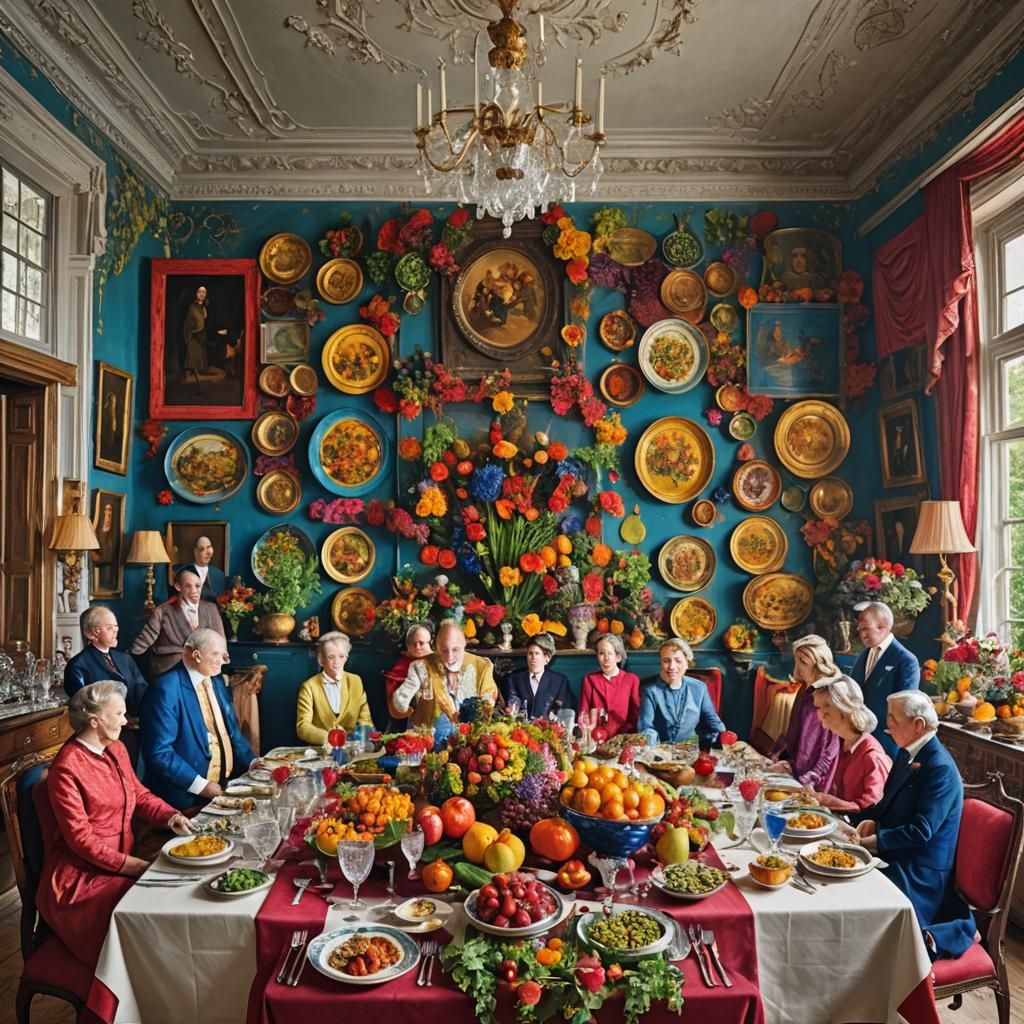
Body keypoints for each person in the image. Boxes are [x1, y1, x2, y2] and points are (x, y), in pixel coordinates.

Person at [36, 681, 193, 968]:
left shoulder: (117, 748)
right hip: (79, 880)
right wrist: (138, 867)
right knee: (150, 914)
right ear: (94, 721)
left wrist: (172, 817)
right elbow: (81, 840)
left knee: (174, 897)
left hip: (120, 863)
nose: (126, 720)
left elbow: (139, 794)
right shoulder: (66, 768)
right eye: (119, 714)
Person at [851, 691, 975, 960]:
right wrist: (868, 822)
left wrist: (873, 842)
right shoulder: (906, 752)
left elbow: (921, 832)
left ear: (918, 725)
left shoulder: (939, 767)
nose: (887, 726)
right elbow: (886, 805)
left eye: (893, 719)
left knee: (856, 899)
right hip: (895, 854)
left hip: (919, 871)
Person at [140, 629, 258, 810]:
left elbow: (232, 733)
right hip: (182, 801)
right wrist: (201, 786)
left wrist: (253, 762)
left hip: (223, 790)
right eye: (216, 655)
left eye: (224, 656)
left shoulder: (216, 681)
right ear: (196, 655)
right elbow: (159, 753)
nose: (221, 661)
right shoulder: (165, 688)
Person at [801, 675, 892, 813]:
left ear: (844, 709)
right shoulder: (840, 740)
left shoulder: (872, 756)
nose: (819, 714)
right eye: (817, 707)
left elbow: (871, 808)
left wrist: (833, 803)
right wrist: (811, 784)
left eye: (826, 707)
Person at [769, 634, 842, 790]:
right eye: (797, 660)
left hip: (814, 778)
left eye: (804, 662)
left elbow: (830, 749)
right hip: (796, 770)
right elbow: (794, 731)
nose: (798, 666)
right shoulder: (805, 688)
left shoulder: (828, 694)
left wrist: (810, 779)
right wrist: (782, 757)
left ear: (819, 664)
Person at [391, 622, 497, 727]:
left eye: (455, 649)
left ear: (464, 644)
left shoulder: (482, 666)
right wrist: (404, 696)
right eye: (444, 650)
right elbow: (400, 703)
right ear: (437, 646)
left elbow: (487, 701)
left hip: (469, 736)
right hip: (427, 737)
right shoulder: (420, 666)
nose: (450, 657)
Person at [850, 601, 920, 758]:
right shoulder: (863, 655)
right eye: (860, 629)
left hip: (886, 745)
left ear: (883, 627)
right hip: (857, 738)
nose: (862, 634)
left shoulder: (906, 660)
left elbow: (904, 708)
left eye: (866, 628)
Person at [130, 565, 224, 676]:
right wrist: (124, 662)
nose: (194, 591)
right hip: (169, 669)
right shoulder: (163, 611)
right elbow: (143, 641)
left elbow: (220, 644)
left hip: (202, 669)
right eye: (188, 586)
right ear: (178, 587)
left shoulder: (211, 609)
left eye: (197, 586)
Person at [638, 638, 725, 746]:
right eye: (666, 661)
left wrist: (723, 737)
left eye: (678, 661)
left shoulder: (699, 688)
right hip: (660, 751)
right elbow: (645, 727)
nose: (672, 667)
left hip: (691, 750)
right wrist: (653, 746)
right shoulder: (649, 690)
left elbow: (712, 721)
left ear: (687, 663)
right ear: (661, 662)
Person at [65, 606, 148, 714]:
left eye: (116, 626)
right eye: (109, 627)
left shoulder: (125, 659)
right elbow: (84, 707)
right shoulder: (77, 666)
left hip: (137, 723)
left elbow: (143, 690)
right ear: (92, 634)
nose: (116, 631)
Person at [295, 632, 373, 744]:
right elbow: (302, 727)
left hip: (351, 748)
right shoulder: (309, 686)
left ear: (346, 658)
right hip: (320, 750)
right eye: (331, 657)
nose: (337, 662)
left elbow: (366, 720)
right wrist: (328, 738)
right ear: (321, 660)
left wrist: (356, 737)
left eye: (341, 656)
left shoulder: (356, 681)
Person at [579, 634, 641, 739]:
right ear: (597, 656)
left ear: (618, 657)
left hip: (623, 737)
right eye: (602, 653)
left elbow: (635, 715)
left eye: (610, 654)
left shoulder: (631, 680)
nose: (606, 658)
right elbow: (583, 713)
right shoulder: (589, 680)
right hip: (596, 737)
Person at [505, 633, 573, 720]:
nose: (533, 658)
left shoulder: (559, 681)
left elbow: (565, 712)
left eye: (537, 653)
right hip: (520, 729)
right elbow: (511, 706)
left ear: (547, 658)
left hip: (548, 731)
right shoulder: (514, 679)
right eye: (530, 653)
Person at [383, 624, 433, 729]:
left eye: (421, 643)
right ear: (407, 644)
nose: (417, 647)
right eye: (413, 643)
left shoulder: (437, 662)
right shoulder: (399, 666)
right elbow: (395, 702)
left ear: (429, 643)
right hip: (405, 722)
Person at [175, 535, 226, 603]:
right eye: (202, 549)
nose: (208, 553)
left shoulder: (219, 575)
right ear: (195, 551)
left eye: (209, 547)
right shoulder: (184, 572)